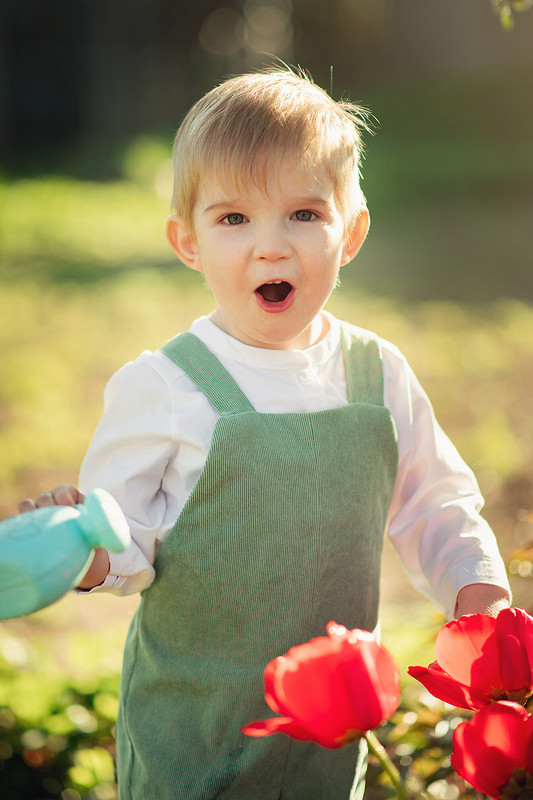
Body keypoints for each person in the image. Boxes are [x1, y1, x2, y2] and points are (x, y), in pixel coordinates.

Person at [19, 67, 511, 800]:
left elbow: (435, 504)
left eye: (304, 214)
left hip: (329, 728)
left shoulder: (376, 375)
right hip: (195, 734)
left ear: (352, 233)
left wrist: (480, 599)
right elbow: (127, 541)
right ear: (187, 243)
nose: (271, 247)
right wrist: (82, 551)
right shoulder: (165, 387)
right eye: (233, 219)